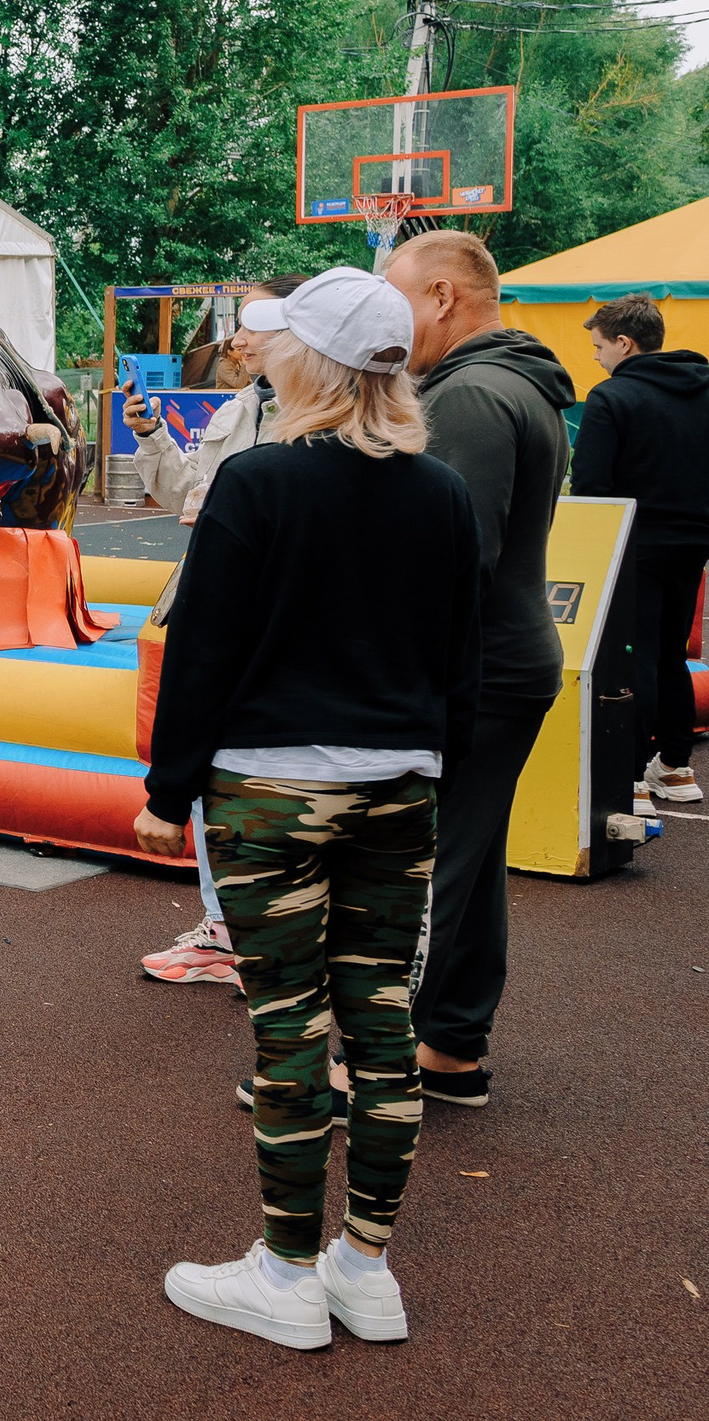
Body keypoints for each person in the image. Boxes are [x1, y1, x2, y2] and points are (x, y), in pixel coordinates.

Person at [137, 268, 480, 1350]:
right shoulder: (441, 491)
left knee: (289, 1024)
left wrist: (166, 790)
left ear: (311, 360)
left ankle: (284, 1271)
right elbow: (458, 661)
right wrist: (440, 772)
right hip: (400, 786)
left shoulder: (257, 479)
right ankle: (363, 1265)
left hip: (270, 788)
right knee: (381, 1020)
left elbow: (202, 649)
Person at [384, 229, 573, 1111]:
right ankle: (451, 1044)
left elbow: (453, 558)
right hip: (510, 656)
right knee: (472, 848)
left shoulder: (471, 395)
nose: (392, 320)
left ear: (445, 297)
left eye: (399, 297)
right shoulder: (521, 384)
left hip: (479, 666)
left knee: (428, 859)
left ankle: (375, 1060)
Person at [125, 275, 304, 988]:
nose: (234, 336)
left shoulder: (319, 419)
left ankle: (259, 934)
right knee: (213, 767)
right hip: (216, 602)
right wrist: (149, 433)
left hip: (271, 619)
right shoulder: (240, 407)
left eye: (252, 320)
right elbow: (187, 494)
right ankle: (228, 928)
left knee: (260, 770)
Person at [573, 292, 709, 810]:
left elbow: (589, 486)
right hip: (693, 542)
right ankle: (674, 767)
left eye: (599, 345)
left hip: (633, 544)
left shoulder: (612, 397)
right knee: (672, 652)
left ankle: (629, 776)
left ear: (624, 343)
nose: (595, 356)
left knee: (633, 659)